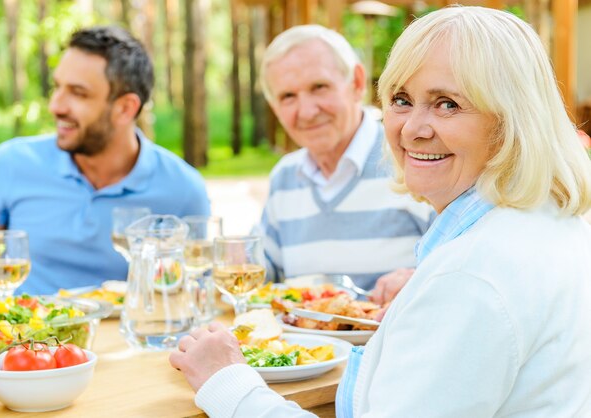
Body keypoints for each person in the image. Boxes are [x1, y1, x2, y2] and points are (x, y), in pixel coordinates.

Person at [169, 6, 591, 417]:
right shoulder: (549, 221)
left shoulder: (470, 275)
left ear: (511, 119)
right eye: (402, 99)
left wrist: (227, 383)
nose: (411, 129)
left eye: (448, 104)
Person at [0, 26, 210, 295]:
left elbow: (192, 299)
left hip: (124, 336)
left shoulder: (183, 190)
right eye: (57, 87)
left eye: (78, 93)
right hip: (24, 334)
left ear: (125, 108)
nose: (56, 106)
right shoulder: (9, 165)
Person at [257, 24, 434, 292]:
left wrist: (419, 280)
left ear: (357, 83)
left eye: (319, 87)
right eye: (288, 96)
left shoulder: (416, 158)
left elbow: (463, 265)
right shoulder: (285, 176)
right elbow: (261, 273)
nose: (306, 111)